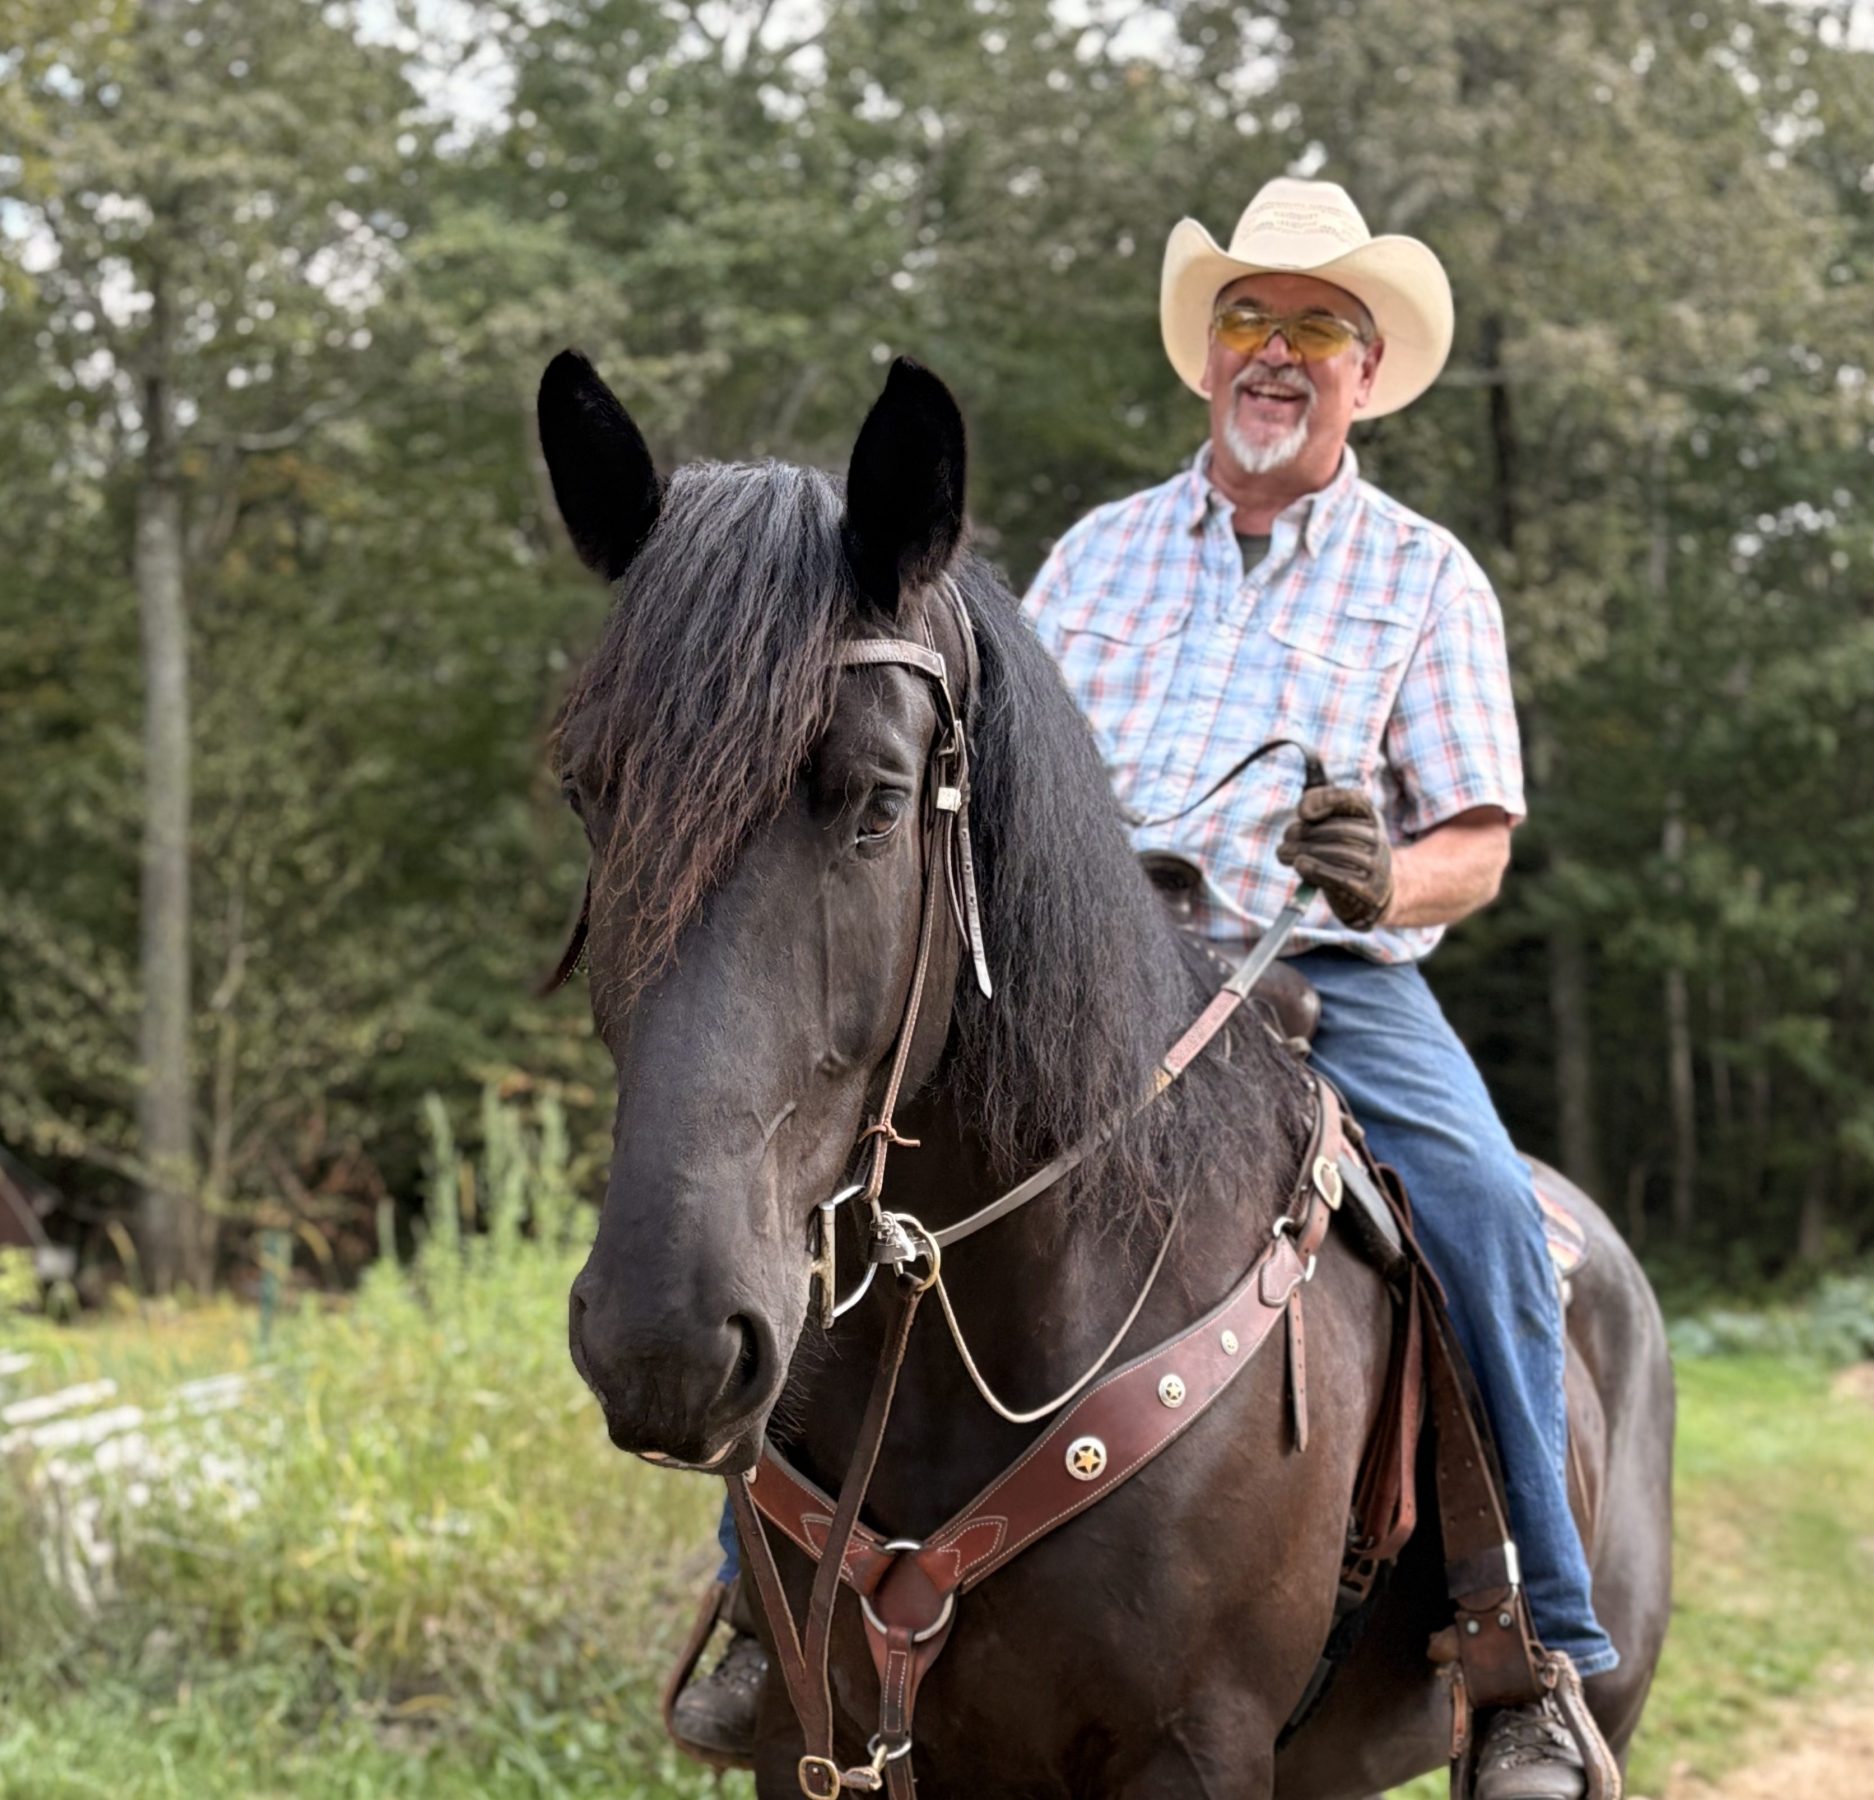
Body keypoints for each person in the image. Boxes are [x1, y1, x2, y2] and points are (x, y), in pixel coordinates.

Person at [673, 178, 1611, 1800]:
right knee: (844, 1163)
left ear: (1366, 370)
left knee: (1472, 1208)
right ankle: (763, 1601)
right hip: (1076, 974)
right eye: (1250, 317)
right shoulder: (1098, 556)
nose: (1277, 351)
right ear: (1209, 353)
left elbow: (1477, 843)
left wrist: (1386, 875)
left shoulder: (1425, 576)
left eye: (1317, 326)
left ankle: (1525, 1647)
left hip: (1315, 965)